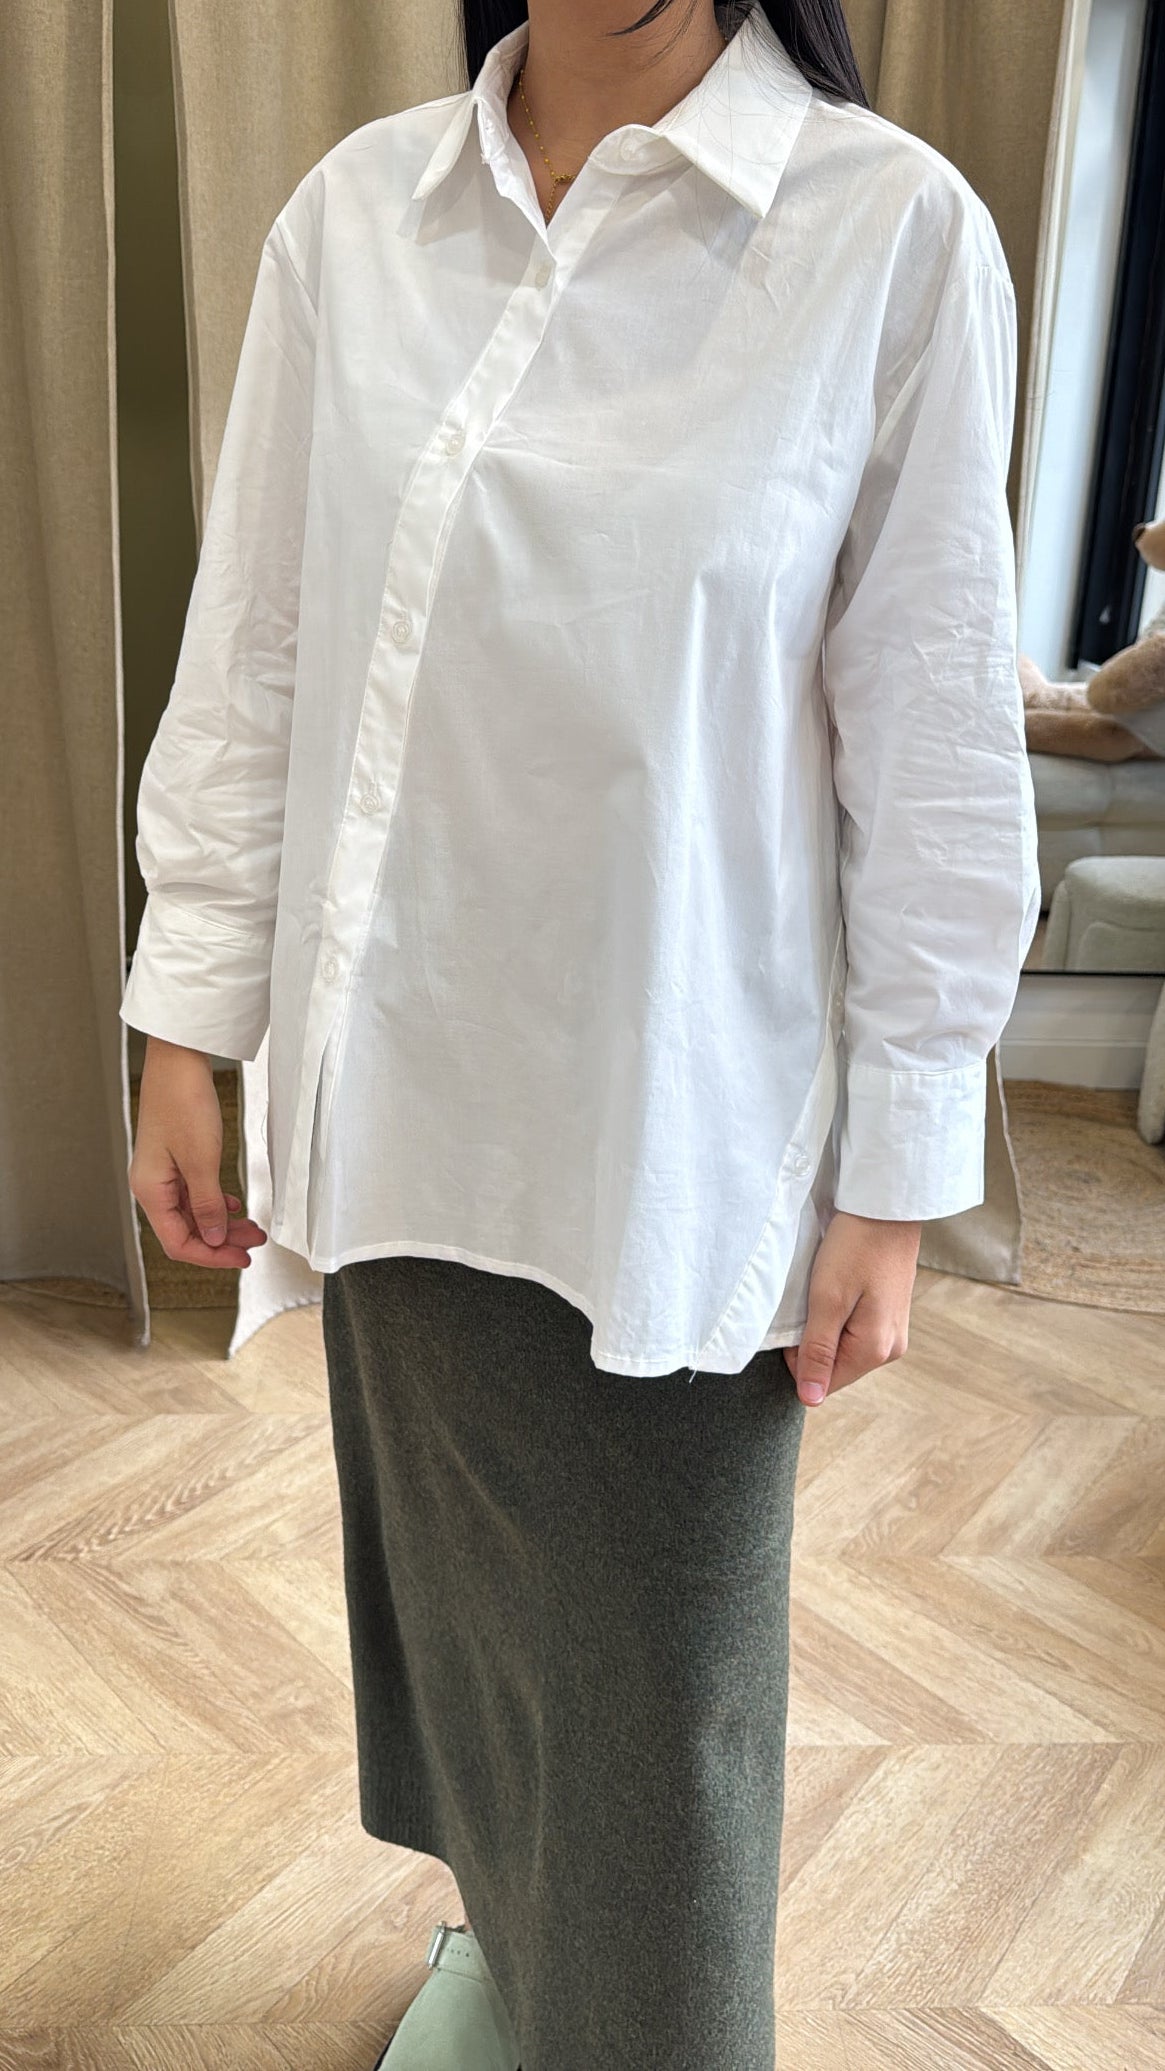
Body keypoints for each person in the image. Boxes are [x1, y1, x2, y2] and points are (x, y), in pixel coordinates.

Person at [121, 2, 1041, 2065]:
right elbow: (256, 641)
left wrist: (896, 1169)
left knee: (658, 1732)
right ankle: (506, 1956)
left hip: (672, 1131)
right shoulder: (357, 218)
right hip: (395, 1091)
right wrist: (187, 1013)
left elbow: (933, 741)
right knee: (465, 1634)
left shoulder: (883, 233)